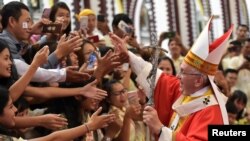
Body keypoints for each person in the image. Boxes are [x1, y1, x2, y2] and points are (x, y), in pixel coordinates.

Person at [110, 17, 233, 140]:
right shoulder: (188, 91)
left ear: (198, 81)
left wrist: (160, 129)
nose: (178, 76)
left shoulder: (211, 111)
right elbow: (158, 79)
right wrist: (129, 56)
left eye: (183, 72)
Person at [0, 86, 115, 141]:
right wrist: (90, 127)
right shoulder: (62, 120)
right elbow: (53, 139)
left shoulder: (88, 116)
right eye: (10, 106)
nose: (15, 110)